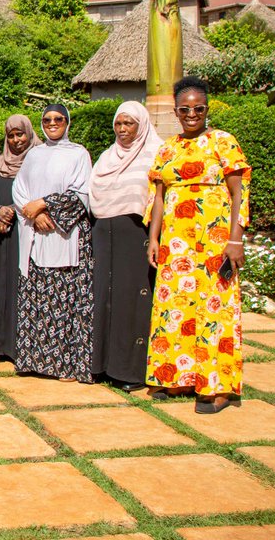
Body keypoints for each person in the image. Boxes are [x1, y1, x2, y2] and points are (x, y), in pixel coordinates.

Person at [145, 77, 249, 414]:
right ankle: (177, 375)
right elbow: (158, 197)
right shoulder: (168, 148)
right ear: (176, 111)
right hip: (176, 244)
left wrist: (236, 239)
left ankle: (217, 387)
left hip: (215, 240)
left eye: (198, 108)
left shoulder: (222, 142)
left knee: (214, 307)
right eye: (185, 109)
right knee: (176, 306)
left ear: (207, 109)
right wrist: (154, 237)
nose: (192, 114)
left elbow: (238, 192)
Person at [12, 105, 95, 383]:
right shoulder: (33, 154)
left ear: (67, 122)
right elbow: (19, 189)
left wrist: (46, 206)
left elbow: (81, 193)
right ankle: (34, 360)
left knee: (62, 302)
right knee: (36, 299)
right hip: (36, 233)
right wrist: (33, 214)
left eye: (58, 119)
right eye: (47, 120)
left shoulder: (79, 154)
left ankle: (64, 366)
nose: (52, 123)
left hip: (63, 236)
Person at [89, 102, 163, 391]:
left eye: (129, 123)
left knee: (131, 300)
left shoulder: (154, 153)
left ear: (141, 124)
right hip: (104, 234)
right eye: (118, 124)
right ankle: (102, 365)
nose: (122, 129)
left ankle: (129, 371)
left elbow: (158, 196)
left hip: (136, 234)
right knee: (104, 298)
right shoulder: (108, 156)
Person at [0, 115, 39, 362]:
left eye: (20, 134)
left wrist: (11, 211)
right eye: (11, 135)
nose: (16, 140)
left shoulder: (38, 161)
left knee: (17, 284)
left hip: (24, 231)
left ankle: (14, 347)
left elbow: (38, 193)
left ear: (29, 134)